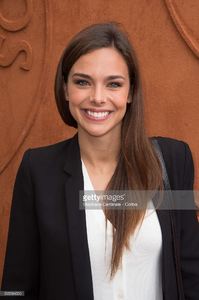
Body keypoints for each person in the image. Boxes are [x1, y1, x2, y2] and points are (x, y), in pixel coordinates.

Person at [1, 22, 199, 300]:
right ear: (66, 89)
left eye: (114, 84)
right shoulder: (39, 171)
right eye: (82, 82)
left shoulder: (172, 161)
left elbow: (192, 271)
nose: (97, 98)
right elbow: (16, 287)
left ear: (130, 92)